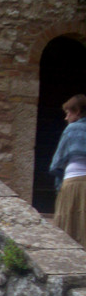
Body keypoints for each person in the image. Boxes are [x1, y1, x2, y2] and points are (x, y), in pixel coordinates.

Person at [51, 94, 86, 247]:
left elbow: (58, 161)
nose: (66, 118)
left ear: (77, 111)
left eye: (68, 113)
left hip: (73, 181)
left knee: (68, 224)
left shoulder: (72, 129)